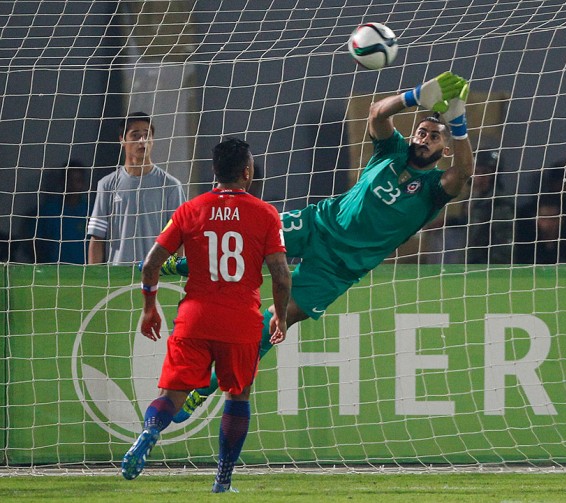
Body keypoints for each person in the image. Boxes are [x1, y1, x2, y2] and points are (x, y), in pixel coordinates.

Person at [158, 71, 475, 421]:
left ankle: (208, 384)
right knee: (247, 235)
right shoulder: (393, 150)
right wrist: (416, 95)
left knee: (279, 319)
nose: (424, 137)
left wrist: (457, 119)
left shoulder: (434, 187)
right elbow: (376, 114)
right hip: (318, 223)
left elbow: (462, 172)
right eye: (422, 131)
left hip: (339, 267)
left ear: (444, 148)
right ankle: (185, 263)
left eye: (434, 136)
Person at [120, 138, 291, 493]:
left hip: (195, 318)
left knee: (172, 395)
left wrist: (149, 308)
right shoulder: (265, 214)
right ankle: (223, 480)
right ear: (247, 172)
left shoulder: (190, 210)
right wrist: (281, 317)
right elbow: (280, 273)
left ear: (215, 172)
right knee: (237, 396)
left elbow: (151, 264)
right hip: (240, 320)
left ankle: (150, 431)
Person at [87, 112, 186, 264]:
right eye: (135, 135)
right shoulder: (107, 185)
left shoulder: (171, 186)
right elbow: (97, 237)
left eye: (147, 135)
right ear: (122, 140)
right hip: (117, 278)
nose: (142, 141)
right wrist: (94, 280)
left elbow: (179, 237)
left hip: (157, 276)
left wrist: (174, 275)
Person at [34, 159, 92, 263]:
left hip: (83, 273)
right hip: (53, 273)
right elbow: (36, 244)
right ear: (63, 181)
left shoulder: (90, 211)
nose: (73, 185)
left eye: (78, 181)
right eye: (70, 180)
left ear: (83, 183)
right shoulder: (49, 211)